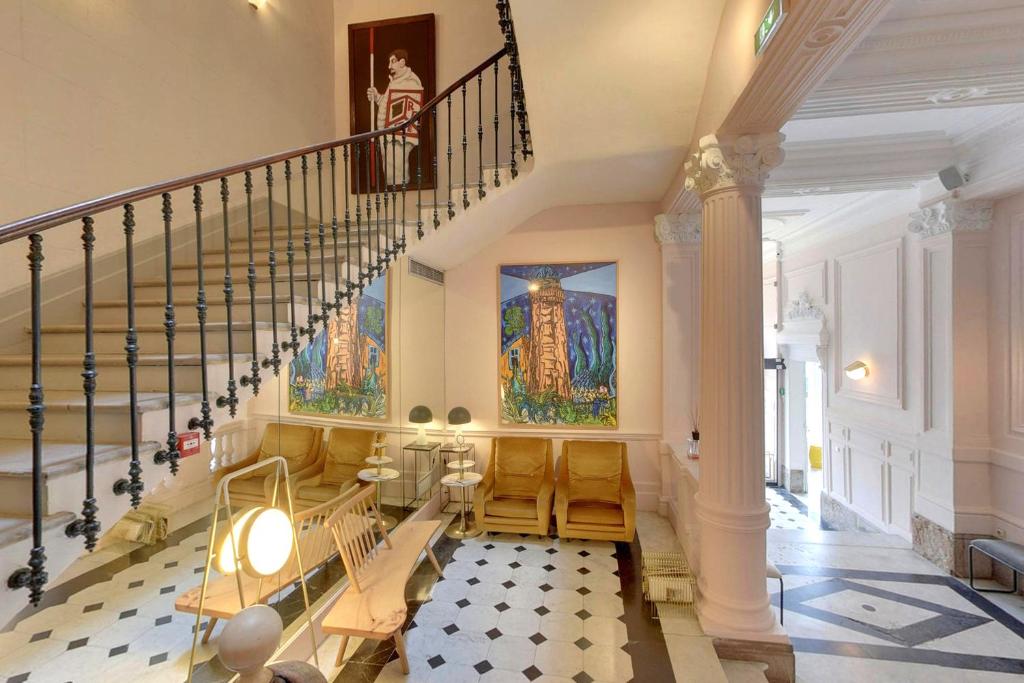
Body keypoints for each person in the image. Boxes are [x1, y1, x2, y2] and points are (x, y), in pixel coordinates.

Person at [367, 49, 423, 187]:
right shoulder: (396, 81)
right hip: (387, 135)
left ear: (402, 62)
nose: (389, 66)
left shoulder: (411, 81)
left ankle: (399, 198)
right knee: (390, 171)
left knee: (396, 173)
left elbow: (406, 110)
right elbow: (390, 107)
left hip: (398, 137)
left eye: (392, 62)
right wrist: (377, 97)